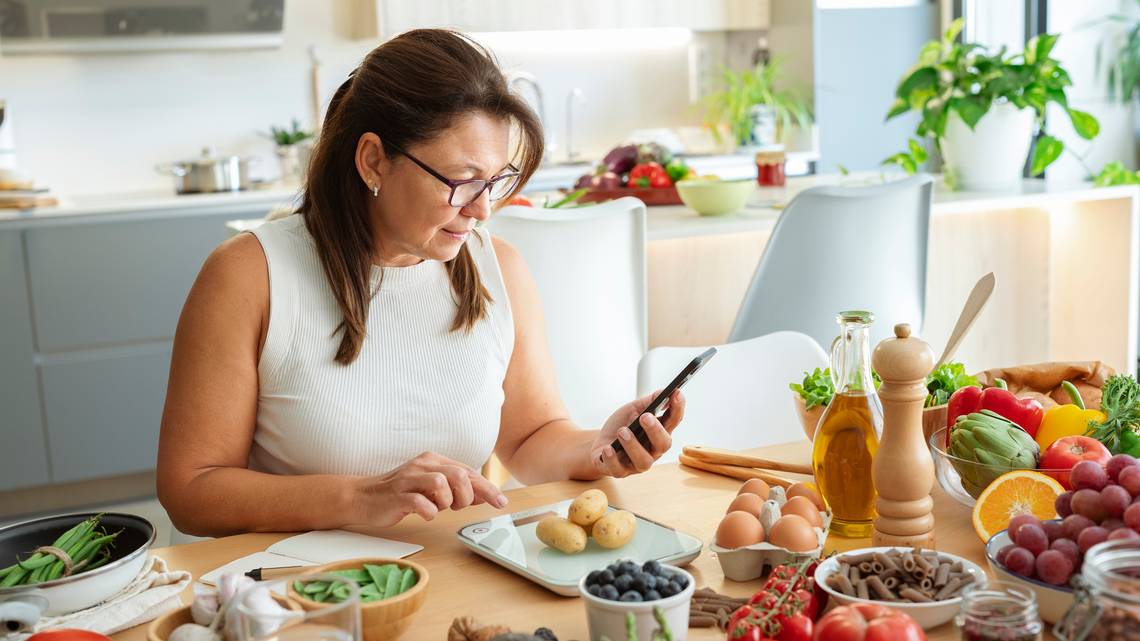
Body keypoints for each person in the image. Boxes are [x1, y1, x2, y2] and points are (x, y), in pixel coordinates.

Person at [156, 29, 685, 537]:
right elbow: (191, 491)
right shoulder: (249, 275)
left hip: (451, 569)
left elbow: (529, 439)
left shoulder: (499, 269)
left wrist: (598, 448)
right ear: (372, 161)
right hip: (301, 591)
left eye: (495, 181)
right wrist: (362, 498)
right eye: (462, 181)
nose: (482, 209)